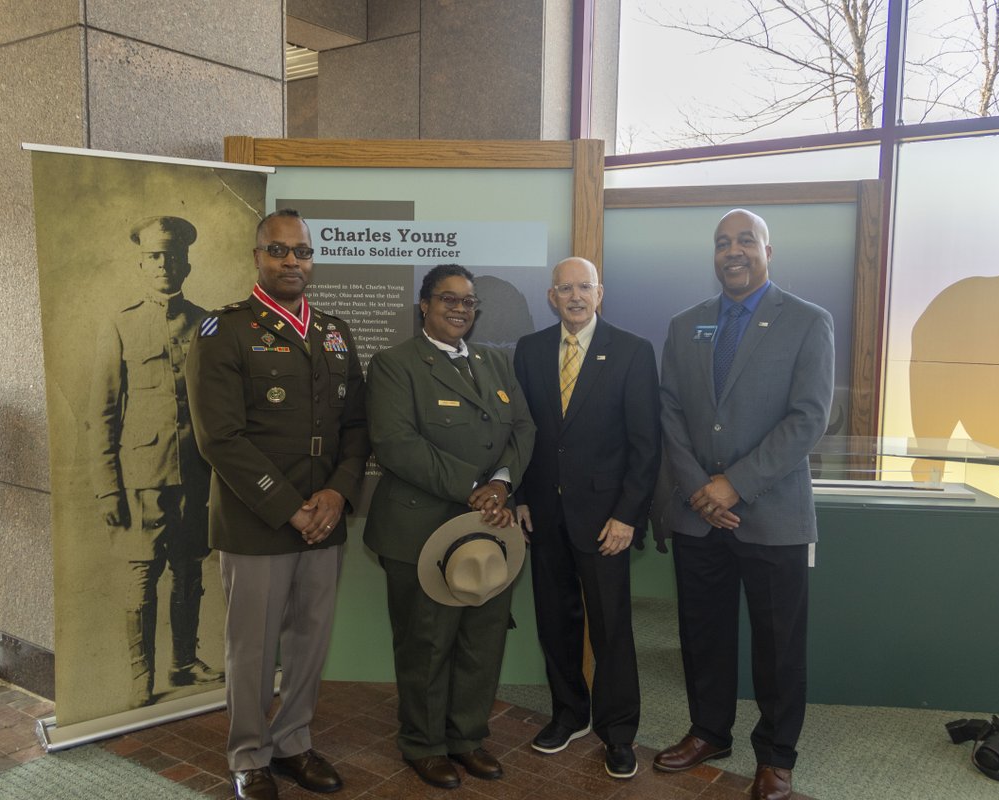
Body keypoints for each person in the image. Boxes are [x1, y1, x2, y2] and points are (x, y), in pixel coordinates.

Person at [185, 209, 370, 800]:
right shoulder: (225, 332)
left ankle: (293, 743)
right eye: (279, 251)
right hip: (258, 519)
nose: (293, 261)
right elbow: (219, 438)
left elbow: (356, 426)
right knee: (253, 648)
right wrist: (292, 508)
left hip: (326, 518)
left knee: (310, 640)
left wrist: (337, 494)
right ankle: (248, 755)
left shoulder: (334, 331)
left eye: (302, 252)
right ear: (257, 257)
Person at [655, 209, 834, 800]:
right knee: (702, 634)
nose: (733, 251)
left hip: (772, 513)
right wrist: (699, 489)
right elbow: (671, 412)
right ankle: (709, 731)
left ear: (767, 251)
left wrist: (733, 484)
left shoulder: (808, 322)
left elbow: (809, 418)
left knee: (779, 645)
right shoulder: (686, 324)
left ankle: (777, 756)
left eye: (745, 241)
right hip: (696, 514)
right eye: (722, 243)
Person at [363, 264, 535, 791]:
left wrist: (501, 486)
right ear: (425, 305)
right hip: (422, 530)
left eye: (468, 301)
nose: (460, 309)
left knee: (481, 640)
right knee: (427, 644)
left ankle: (466, 738)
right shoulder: (395, 365)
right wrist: (473, 487)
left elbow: (523, 427)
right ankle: (424, 744)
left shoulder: (495, 361)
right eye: (448, 299)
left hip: (490, 526)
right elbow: (396, 444)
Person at [512, 256, 660, 779]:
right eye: (565, 288)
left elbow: (646, 446)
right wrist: (522, 497)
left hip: (605, 524)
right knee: (556, 624)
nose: (575, 296)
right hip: (544, 516)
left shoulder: (633, 351)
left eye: (585, 287)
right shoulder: (529, 351)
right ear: (551, 296)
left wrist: (627, 516)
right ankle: (569, 714)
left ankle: (619, 734)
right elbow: (522, 433)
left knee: (612, 629)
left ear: (601, 293)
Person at [88, 215, 222, 709]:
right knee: (142, 578)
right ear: (141, 263)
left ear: (186, 262)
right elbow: (100, 414)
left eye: (171, 256)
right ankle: (139, 677)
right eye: (153, 256)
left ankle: (183, 663)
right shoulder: (120, 324)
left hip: (196, 474)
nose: (163, 265)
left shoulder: (207, 321)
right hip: (141, 480)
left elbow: (218, 402)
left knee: (189, 572)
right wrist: (106, 487)